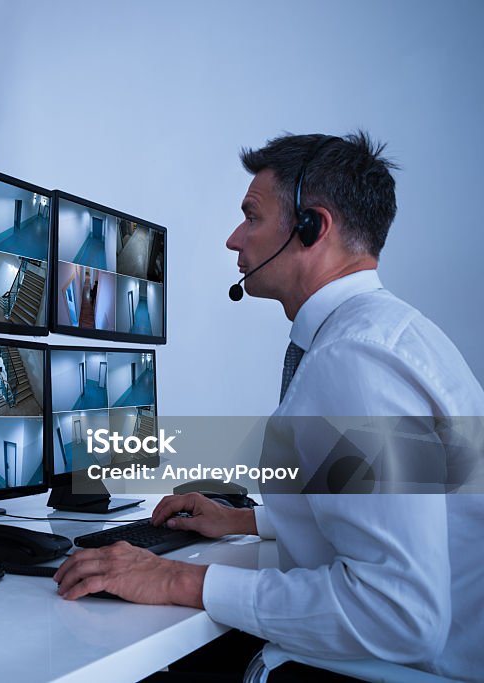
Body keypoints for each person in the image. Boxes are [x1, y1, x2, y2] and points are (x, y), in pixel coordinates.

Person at [53, 132, 484, 681]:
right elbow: (406, 504)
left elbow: (399, 612)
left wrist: (174, 579)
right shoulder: (391, 333)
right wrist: (244, 519)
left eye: (251, 217)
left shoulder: (354, 361)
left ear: (312, 227)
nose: (234, 239)